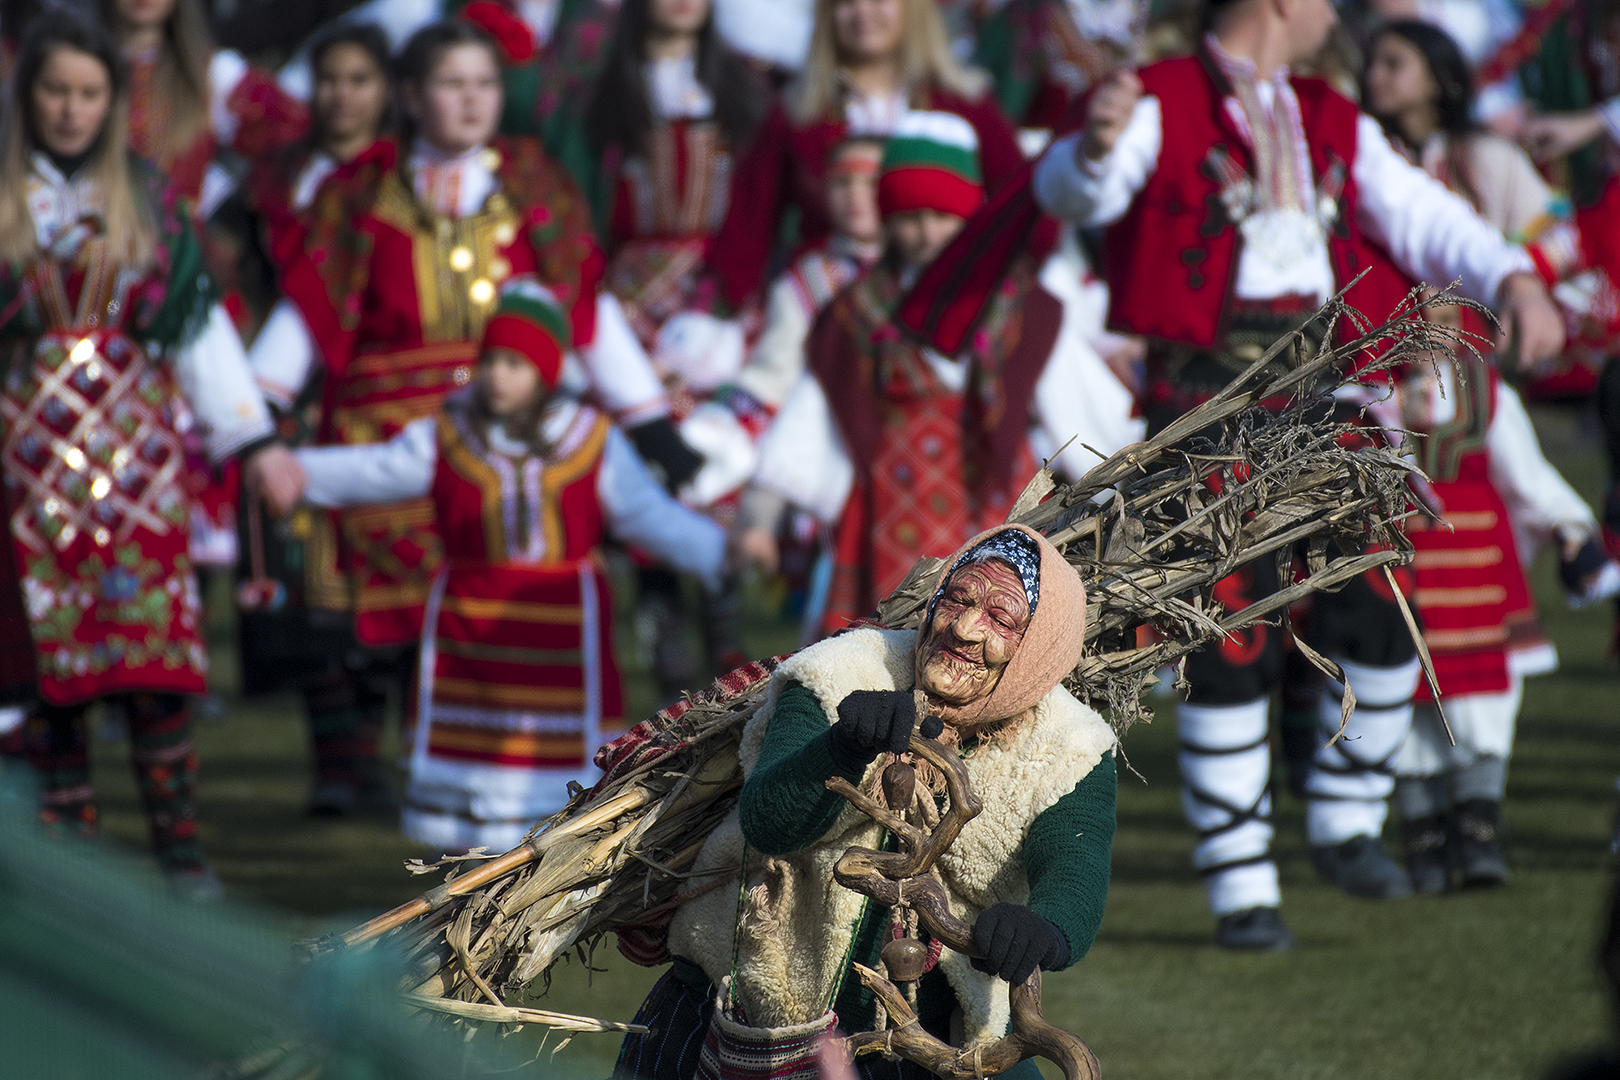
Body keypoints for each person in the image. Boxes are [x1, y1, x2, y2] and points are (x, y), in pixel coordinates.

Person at [1030, 0, 1566, 950]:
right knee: (1224, 639)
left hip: (1324, 400)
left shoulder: (1327, 111)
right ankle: (1242, 883)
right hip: (1204, 415)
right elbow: (1079, 195)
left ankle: (1348, 818)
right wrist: (1095, 149)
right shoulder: (1159, 97)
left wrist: (1513, 275)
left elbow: (1423, 213)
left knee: (1383, 604)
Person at [249, 19, 686, 813]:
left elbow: (578, 309)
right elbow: (312, 306)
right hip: (380, 436)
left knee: (484, 611)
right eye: (452, 84)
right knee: (365, 620)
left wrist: (648, 419)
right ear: (412, 96)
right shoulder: (358, 197)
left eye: (485, 84)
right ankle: (353, 770)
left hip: (503, 441)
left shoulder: (536, 188)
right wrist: (258, 409)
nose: (471, 100)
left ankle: (478, 767)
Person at [616, 524, 1116, 1080]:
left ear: (1038, 651)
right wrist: (843, 746)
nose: (964, 628)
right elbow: (769, 823)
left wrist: (1042, 929)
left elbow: (1075, 871)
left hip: (936, 1039)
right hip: (743, 1011)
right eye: (957, 598)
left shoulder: (1070, 746)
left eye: (1000, 618)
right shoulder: (839, 673)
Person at [0, 11, 299, 898]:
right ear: (28, 94)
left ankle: (182, 857)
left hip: (136, 465)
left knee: (153, 665)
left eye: (89, 93)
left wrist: (253, 439)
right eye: (55, 90)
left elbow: (198, 331)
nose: (70, 109)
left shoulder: (149, 198)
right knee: (50, 673)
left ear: (111, 100)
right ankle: (71, 868)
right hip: (24, 471)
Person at [284, 282, 727, 850]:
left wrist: (720, 551)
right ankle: (469, 875)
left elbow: (649, 516)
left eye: (515, 363)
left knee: (556, 788)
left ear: (545, 372)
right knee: (472, 778)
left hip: (563, 638)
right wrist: (292, 472)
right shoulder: (449, 434)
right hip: (471, 634)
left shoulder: (591, 439)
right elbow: (374, 470)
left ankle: (545, 872)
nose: (496, 375)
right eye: (490, 360)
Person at [746, 112, 1136, 637]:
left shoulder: (1020, 306)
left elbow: (1082, 408)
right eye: (908, 216)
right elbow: (812, 416)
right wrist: (759, 516)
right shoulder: (858, 313)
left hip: (998, 510)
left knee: (992, 640)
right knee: (882, 654)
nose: (926, 233)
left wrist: (1123, 483)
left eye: (941, 215)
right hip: (891, 517)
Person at [1391, 348, 1617, 892]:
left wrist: (1568, 525)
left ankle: (1480, 832)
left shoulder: (1487, 393)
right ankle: (1422, 837)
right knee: (1399, 700)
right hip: (1400, 569)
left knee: (1486, 702)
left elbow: (1527, 476)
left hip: (1480, 575)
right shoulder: (1366, 390)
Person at [705, 0, 1024, 312]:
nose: (862, 11)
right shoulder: (800, 113)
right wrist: (723, 308)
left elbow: (1019, 202)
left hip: (941, 301)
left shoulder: (963, 103)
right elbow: (747, 226)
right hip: (826, 307)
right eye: (845, 3)